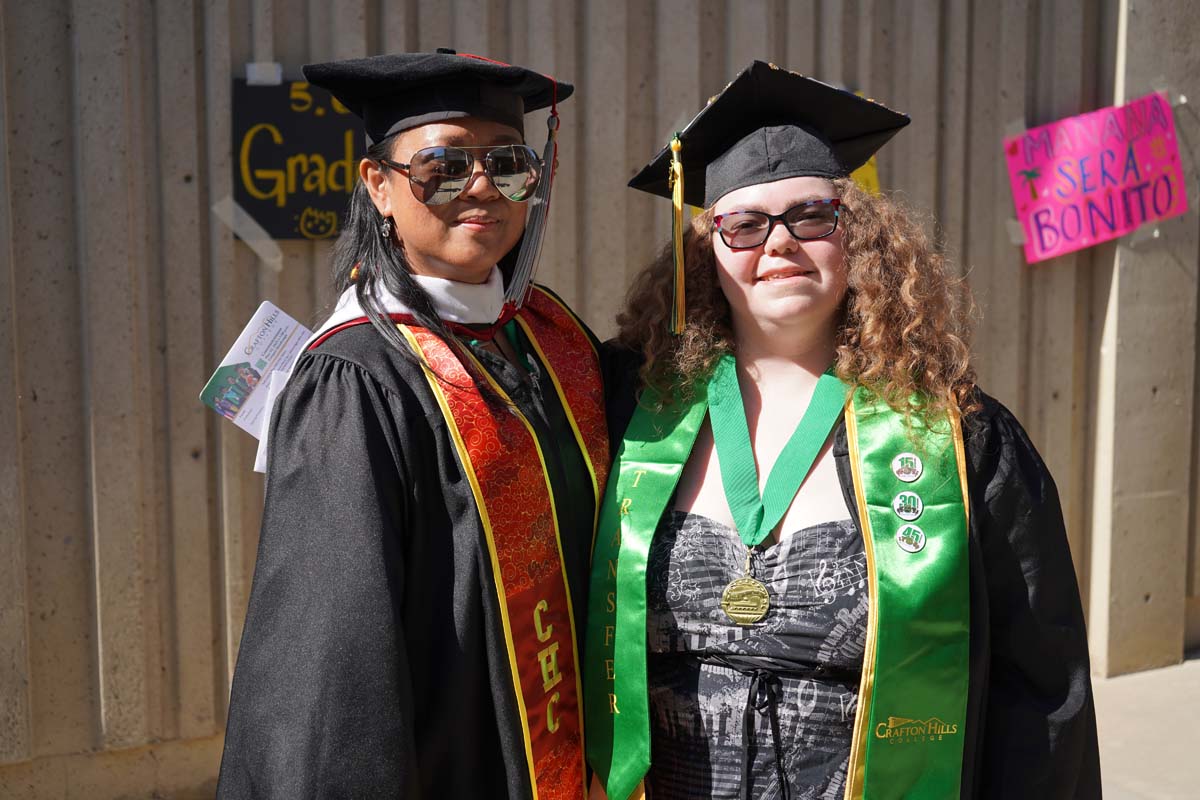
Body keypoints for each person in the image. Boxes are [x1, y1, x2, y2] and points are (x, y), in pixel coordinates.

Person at [585, 62, 1100, 800]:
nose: (780, 243)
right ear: (705, 249)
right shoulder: (627, 411)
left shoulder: (962, 442)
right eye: (744, 224)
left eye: (812, 215)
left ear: (857, 234)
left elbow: (1041, 694)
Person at [217, 51, 608, 799]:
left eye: (508, 162)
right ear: (379, 187)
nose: (483, 187)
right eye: (444, 166)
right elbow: (332, 662)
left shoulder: (553, 339)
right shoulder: (356, 378)